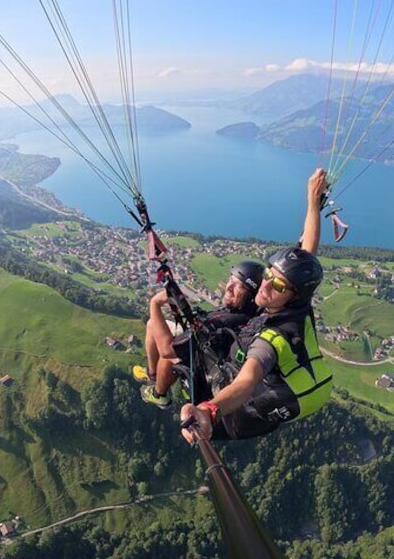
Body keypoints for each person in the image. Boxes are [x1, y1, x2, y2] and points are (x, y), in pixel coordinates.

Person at [179, 168, 332, 441]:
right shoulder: (297, 304)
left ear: (293, 294)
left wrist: (209, 410)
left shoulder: (272, 340)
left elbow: (247, 381)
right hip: (270, 400)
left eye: (278, 285)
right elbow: (307, 252)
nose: (266, 284)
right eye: (268, 274)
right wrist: (312, 201)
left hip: (235, 418)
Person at [134, 259, 264, 408]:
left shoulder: (226, 321)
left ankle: (159, 394)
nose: (229, 287)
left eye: (239, 286)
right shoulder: (246, 313)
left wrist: (155, 304)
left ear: (251, 296)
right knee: (152, 324)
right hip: (207, 352)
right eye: (230, 280)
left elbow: (168, 350)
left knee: (169, 355)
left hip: (201, 366)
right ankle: (153, 376)